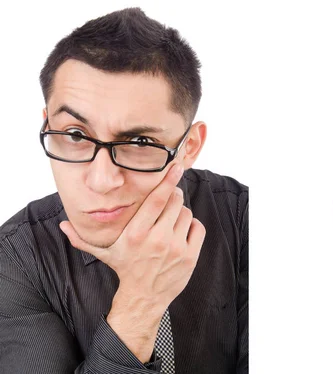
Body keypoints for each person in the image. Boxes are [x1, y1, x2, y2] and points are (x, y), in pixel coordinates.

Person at [0, 7, 248, 374]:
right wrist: (141, 303)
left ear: (189, 146)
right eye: (74, 135)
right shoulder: (15, 256)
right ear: (48, 124)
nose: (101, 180)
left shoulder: (245, 219)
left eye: (141, 141)